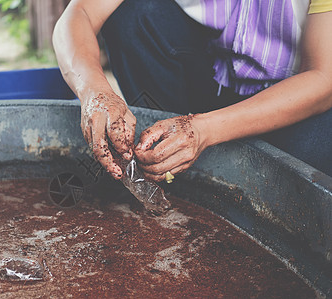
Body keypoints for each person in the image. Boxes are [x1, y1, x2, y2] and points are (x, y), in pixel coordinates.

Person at [52, 0, 332, 180]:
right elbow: (80, 12)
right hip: (216, 80)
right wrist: (94, 91)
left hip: (299, 106)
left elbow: (323, 78)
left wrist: (203, 129)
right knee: (137, 14)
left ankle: (192, 147)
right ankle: (164, 163)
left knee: (307, 173)